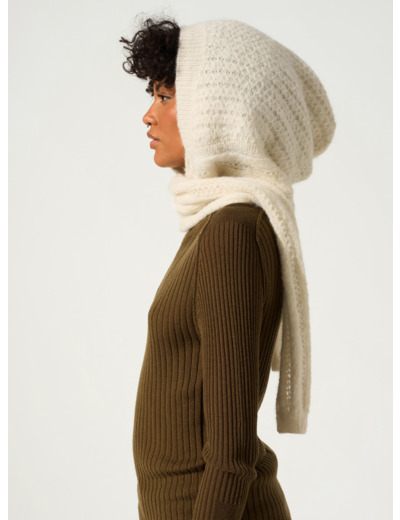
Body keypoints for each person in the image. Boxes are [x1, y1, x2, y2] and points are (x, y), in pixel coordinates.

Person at [120, 15, 335, 520]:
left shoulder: (233, 233)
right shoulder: (212, 226)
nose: (148, 116)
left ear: (219, 110)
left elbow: (231, 457)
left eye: (166, 97)